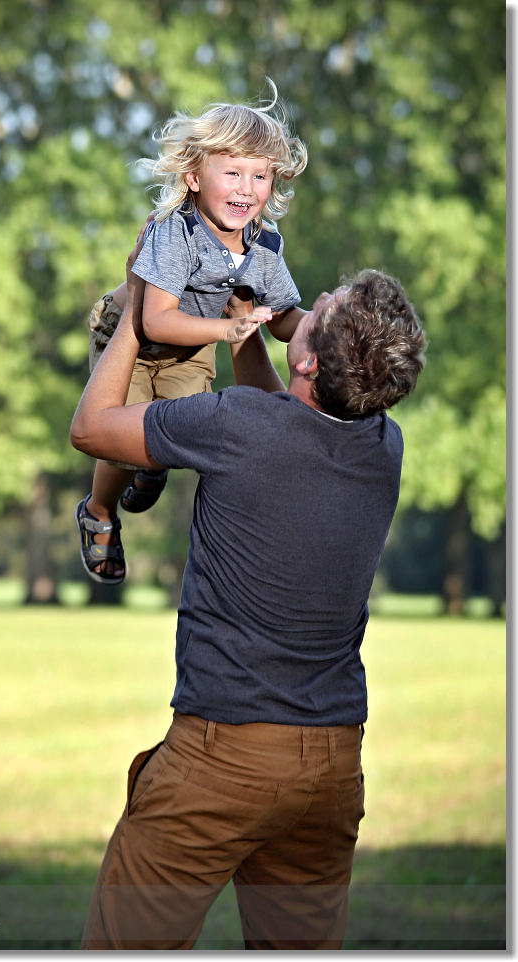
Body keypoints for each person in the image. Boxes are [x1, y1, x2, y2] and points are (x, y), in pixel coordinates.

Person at [69, 224, 426, 950]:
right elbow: (286, 416)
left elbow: (93, 429)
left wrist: (143, 302)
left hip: (221, 757)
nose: (316, 295)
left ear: (309, 356)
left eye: (323, 306)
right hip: (331, 764)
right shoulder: (381, 446)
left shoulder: (234, 425)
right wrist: (243, 326)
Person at [75, 80, 306, 586]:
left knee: (181, 426)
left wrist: (318, 326)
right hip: (130, 334)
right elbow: (154, 318)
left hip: (190, 345)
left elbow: (284, 316)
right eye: (233, 172)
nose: (247, 188)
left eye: (260, 176)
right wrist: (229, 328)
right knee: (120, 435)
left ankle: (151, 464)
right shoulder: (174, 231)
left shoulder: (264, 244)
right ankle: (99, 509)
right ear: (194, 176)